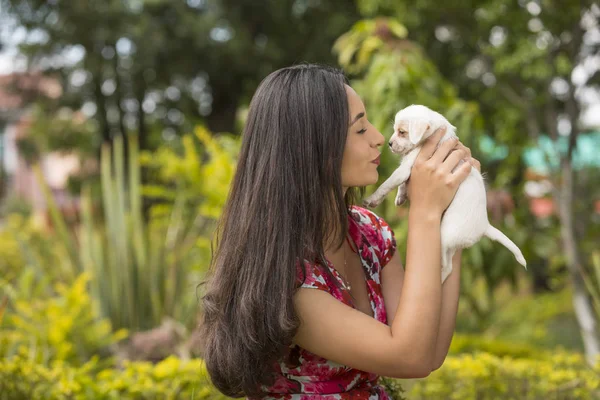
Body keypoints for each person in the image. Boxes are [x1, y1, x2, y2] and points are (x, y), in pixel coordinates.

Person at [199, 63, 479, 399]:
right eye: (360, 130)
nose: (378, 139)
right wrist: (424, 212)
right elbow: (411, 357)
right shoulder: (288, 278)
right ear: (313, 149)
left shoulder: (370, 234)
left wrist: (454, 217)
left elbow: (430, 351)